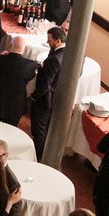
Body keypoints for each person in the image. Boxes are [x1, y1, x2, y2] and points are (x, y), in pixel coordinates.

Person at [0, 34, 39, 124]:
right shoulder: (31, 65)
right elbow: (30, 77)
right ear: (24, 49)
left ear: (10, 45)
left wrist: (0, 57)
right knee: (9, 130)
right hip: (15, 107)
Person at [29, 25, 66, 156]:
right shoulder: (69, 54)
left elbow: (45, 84)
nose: (47, 42)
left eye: (50, 40)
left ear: (58, 41)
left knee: (39, 131)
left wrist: (34, 97)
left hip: (45, 100)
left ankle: (37, 155)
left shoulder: (54, 59)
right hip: (59, 98)